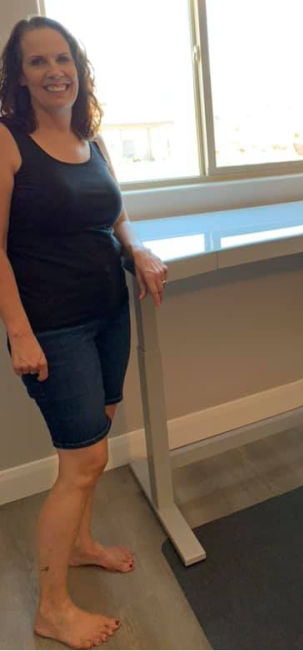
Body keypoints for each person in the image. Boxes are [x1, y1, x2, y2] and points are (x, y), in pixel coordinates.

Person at [0, 16, 168, 649]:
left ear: (79, 66)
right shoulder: (8, 142)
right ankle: (51, 609)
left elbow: (114, 211)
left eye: (62, 58)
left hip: (108, 313)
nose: (54, 71)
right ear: (19, 75)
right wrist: (19, 332)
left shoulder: (89, 139)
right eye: (38, 62)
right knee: (85, 461)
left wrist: (139, 250)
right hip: (54, 326)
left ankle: (83, 545)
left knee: (92, 443)